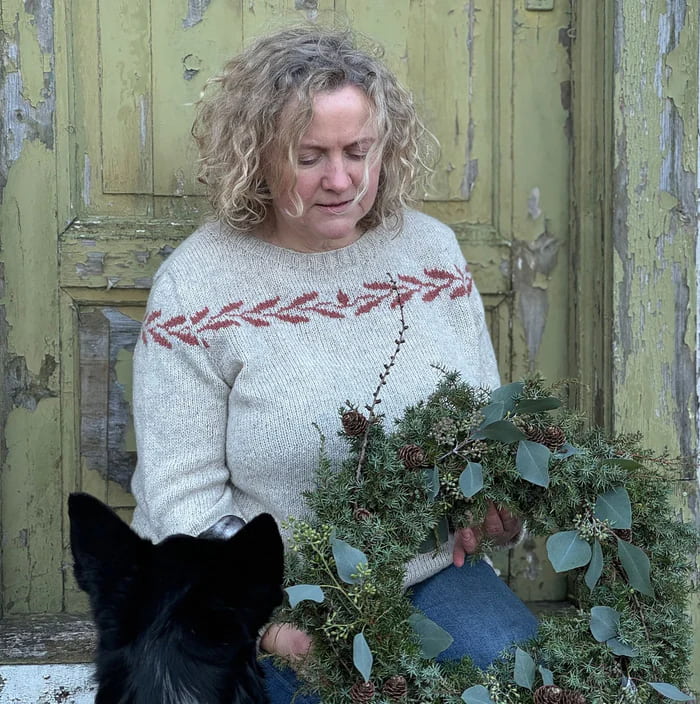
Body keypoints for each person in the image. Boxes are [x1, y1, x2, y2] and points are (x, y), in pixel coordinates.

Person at [130, 25, 538, 703]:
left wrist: (492, 503)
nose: (341, 179)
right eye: (309, 156)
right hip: (270, 597)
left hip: (426, 573)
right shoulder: (195, 287)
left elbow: (481, 426)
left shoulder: (431, 254)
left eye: (358, 151)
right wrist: (266, 623)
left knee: (520, 675)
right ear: (258, 156)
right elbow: (182, 495)